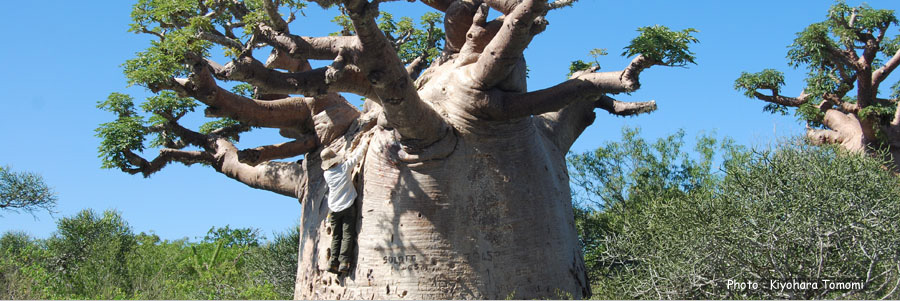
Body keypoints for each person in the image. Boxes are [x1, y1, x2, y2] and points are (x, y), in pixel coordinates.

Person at [321, 137, 370, 275]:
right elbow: (358, 157)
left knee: (336, 236)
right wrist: (365, 143)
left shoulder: (326, 174)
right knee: (347, 234)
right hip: (348, 206)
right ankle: (344, 262)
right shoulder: (344, 168)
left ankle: (332, 263)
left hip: (333, 209)